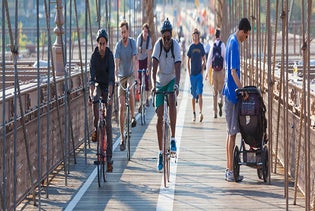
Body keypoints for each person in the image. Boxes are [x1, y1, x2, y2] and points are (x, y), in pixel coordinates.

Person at [223, 18, 251, 182]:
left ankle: (230, 170)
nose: (245, 39)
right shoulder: (234, 43)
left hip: (229, 92)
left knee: (230, 133)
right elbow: (233, 72)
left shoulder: (230, 40)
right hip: (233, 94)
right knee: (232, 134)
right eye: (246, 36)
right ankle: (229, 171)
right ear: (243, 31)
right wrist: (243, 90)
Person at [151, 18, 181, 172]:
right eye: (165, 37)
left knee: (171, 98)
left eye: (169, 37)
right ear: (162, 36)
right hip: (160, 81)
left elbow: (178, 67)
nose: (167, 40)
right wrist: (152, 85)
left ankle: (173, 138)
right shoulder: (158, 46)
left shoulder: (176, 46)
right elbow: (153, 67)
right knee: (159, 117)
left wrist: (176, 85)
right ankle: (161, 152)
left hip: (171, 79)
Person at [89, 28, 115, 172]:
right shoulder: (94, 56)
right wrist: (91, 93)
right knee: (95, 106)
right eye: (100, 43)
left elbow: (111, 78)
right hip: (98, 85)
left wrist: (110, 97)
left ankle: (109, 159)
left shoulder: (110, 56)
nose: (102, 46)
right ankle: (95, 128)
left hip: (108, 87)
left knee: (108, 124)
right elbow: (91, 78)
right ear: (97, 43)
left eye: (104, 43)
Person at [114, 20, 138, 151]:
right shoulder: (118, 46)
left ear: (128, 32)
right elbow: (116, 62)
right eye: (121, 32)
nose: (123, 34)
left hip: (130, 74)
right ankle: (122, 137)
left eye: (125, 32)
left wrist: (136, 77)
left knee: (131, 89)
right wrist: (116, 75)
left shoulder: (132, 43)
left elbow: (134, 60)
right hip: (122, 76)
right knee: (121, 105)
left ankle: (133, 116)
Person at [206, 29, 226, 119]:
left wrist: (207, 72)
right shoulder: (222, 45)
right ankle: (220, 101)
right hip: (221, 71)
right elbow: (225, 58)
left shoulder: (212, 45)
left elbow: (209, 59)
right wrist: (225, 69)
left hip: (214, 71)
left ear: (215, 36)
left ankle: (215, 112)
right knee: (221, 91)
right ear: (220, 36)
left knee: (214, 92)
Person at [187, 28, 206, 122]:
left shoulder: (201, 46)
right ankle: (194, 113)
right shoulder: (191, 47)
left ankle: (200, 113)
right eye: (194, 34)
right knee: (193, 95)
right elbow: (187, 60)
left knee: (200, 94)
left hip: (199, 74)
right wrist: (189, 72)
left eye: (196, 34)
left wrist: (202, 70)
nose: (195, 36)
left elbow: (204, 60)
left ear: (198, 36)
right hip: (192, 75)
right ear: (192, 36)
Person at [136, 23, 152, 107]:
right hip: (140, 59)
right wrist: (137, 64)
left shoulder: (149, 40)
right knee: (138, 78)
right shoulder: (139, 38)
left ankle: (146, 99)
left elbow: (149, 54)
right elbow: (137, 53)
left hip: (146, 59)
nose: (145, 33)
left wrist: (148, 67)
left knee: (146, 79)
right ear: (142, 31)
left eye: (146, 32)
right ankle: (139, 99)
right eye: (144, 31)